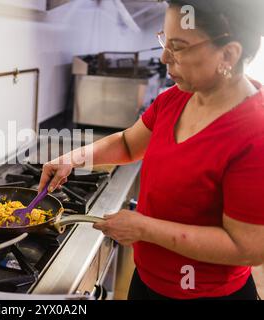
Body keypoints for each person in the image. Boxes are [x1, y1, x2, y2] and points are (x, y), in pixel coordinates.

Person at [38, 0, 264, 300]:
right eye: (164, 41)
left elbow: (246, 248)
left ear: (228, 54)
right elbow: (129, 144)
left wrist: (146, 229)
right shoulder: (175, 99)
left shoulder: (255, 133)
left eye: (179, 47)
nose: (163, 57)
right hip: (148, 282)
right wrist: (72, 158)